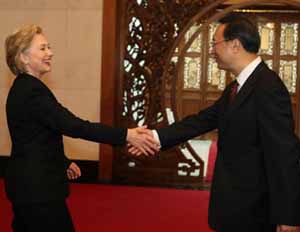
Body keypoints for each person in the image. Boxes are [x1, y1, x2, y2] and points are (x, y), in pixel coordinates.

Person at [131, 14, 300, 232]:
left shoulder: (268, 87)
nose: (212, 51)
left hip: (255, 209)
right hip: (236, 204)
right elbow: (202, 120)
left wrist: (288, 215)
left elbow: (284, 153)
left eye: (215, 44)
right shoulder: (237, 86)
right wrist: (154, 137)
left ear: (235, 45)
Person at [4, 24, 158, 232]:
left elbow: (37, 135)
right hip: (36, 189)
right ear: (22, 57)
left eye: (49, 47)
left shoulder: (26, 87)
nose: (50, 53)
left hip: (29, 184)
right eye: (42, 48)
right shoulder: (31, 91)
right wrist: (127, 135)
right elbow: (74, 126)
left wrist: (62, 161)